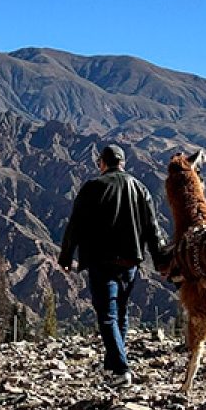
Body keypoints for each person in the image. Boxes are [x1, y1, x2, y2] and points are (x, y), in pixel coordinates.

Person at [58, 144, 168, 388]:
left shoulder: (92, 188)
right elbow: (153, 227)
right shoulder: (140, 188)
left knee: (107, 315)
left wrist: (66, 257)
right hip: (130, 262)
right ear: (123, 163)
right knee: (121, 312)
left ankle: (120, 368)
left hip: (101, 261)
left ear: (102, 163)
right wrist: (160, 260)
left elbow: (75, 225)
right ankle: (112, 366)